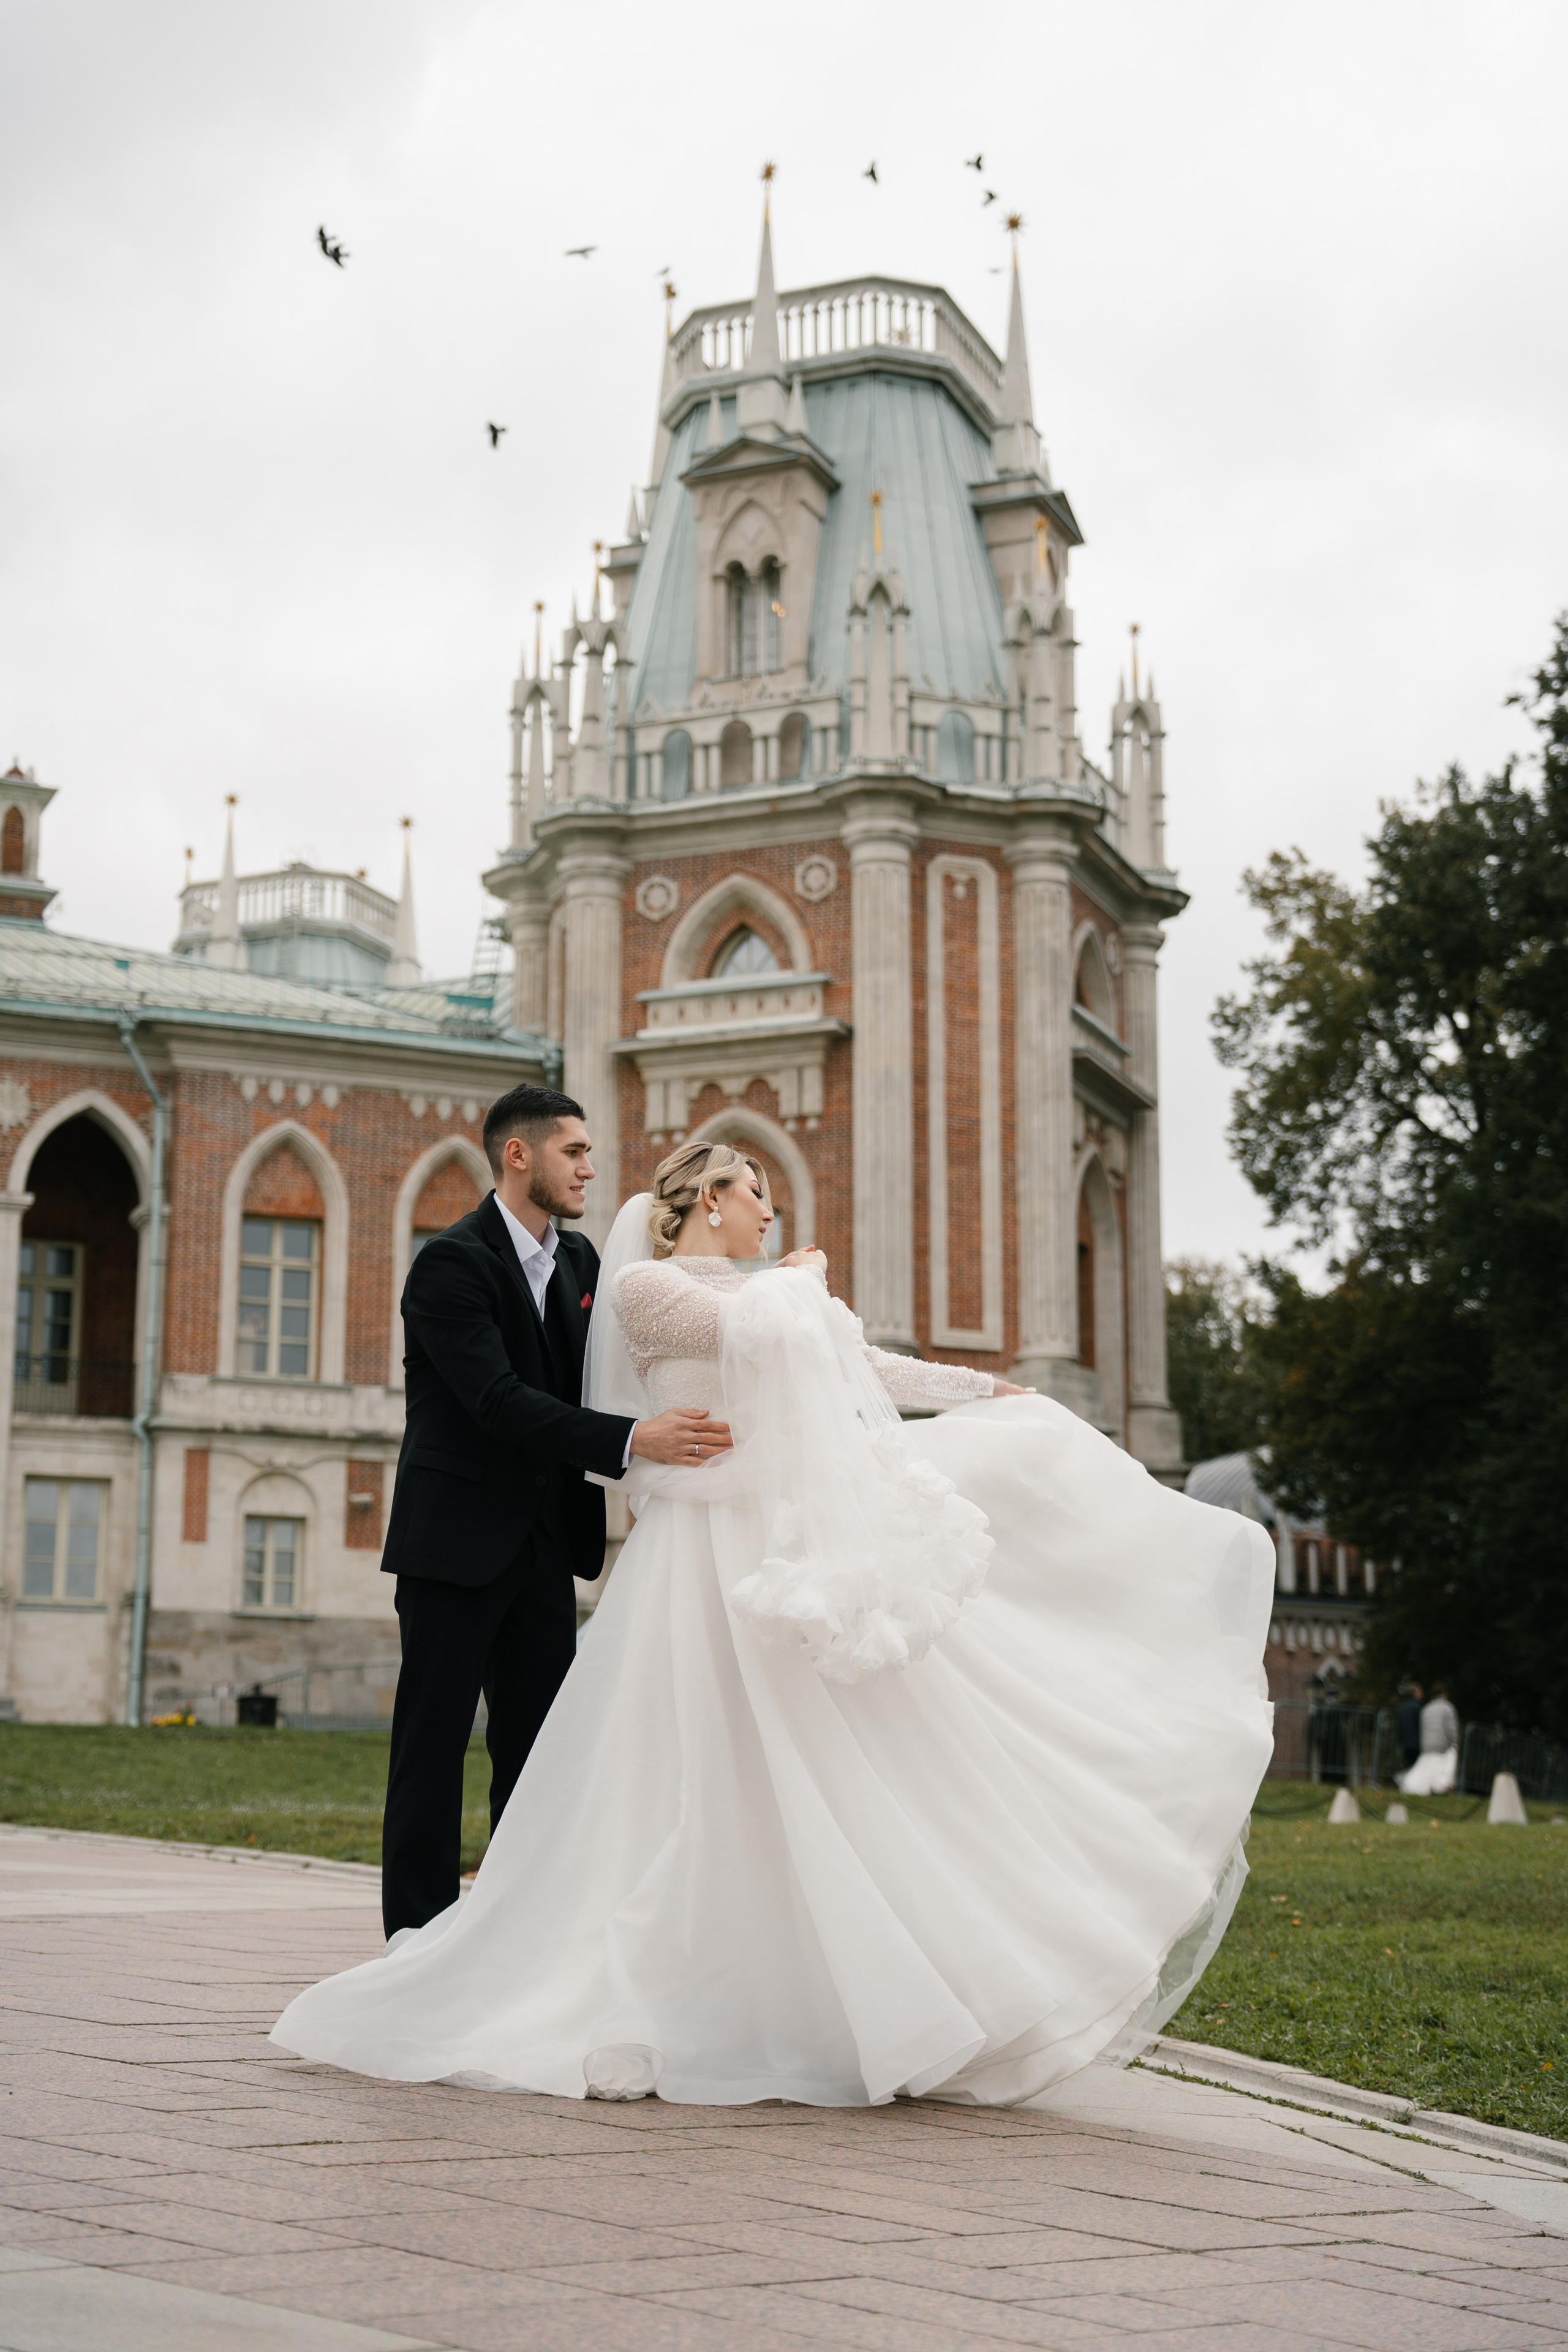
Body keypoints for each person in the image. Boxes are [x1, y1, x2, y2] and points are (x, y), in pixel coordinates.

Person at [276, 1142, 1275, 2109]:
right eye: (755, 1191)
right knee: (692, 1773)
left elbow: (859, 1366)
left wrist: (994, 1392)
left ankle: (830, 1987)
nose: (771, 1210)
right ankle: (650, 1988)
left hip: (774, 1552)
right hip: (698, 1565)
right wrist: (804, 1281)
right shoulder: (653, 1290)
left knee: (818, 1766)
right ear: (710, 1198)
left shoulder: (769, 1295)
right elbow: (770, 1338)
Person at [377, 1086, 735, 1940]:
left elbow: (617, 1376)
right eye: (574, 1151)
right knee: (430, 1755)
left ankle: (512, 1940)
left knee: (539, 1761)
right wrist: (634, 1443)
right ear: (519, 1155)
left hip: (547, 1545)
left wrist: (655, 1486)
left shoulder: (583, 1269)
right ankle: (412, 1945)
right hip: (454, 1544)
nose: (590, 1166)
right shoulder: (450, 1265)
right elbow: (497, 1403)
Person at [1398, 1681, 1460, 1797]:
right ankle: (1444, 1790)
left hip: (1426, 1745)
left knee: (1427, 1770)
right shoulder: (1447, 1708)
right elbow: (1452, 1728)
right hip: (1442, 1745)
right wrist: (1455, 1743)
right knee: (1446, 1770)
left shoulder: (1427, 1708)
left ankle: (1422, 1787)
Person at [1396, 1680, 1424, 1774]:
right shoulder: (1418, 1707)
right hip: (1417, 1741)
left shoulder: (1402, 1707)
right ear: (1415, 1693)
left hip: (1405, 1742)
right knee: (1416, 1767)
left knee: (1408, 1765)